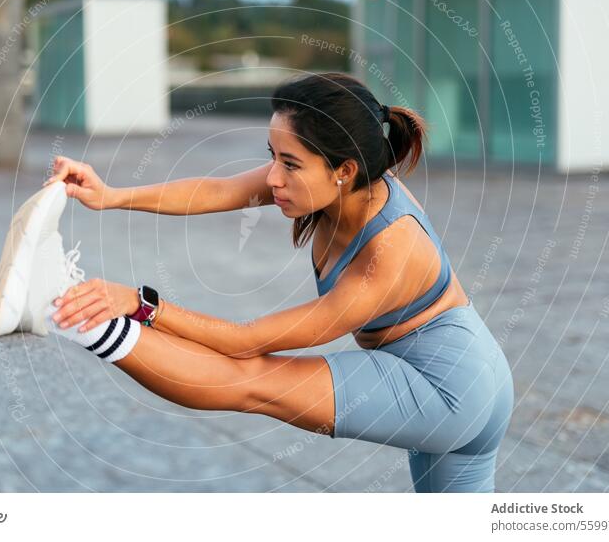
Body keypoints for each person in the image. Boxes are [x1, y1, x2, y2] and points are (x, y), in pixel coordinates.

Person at [41, 72, 514, 492]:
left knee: (252, 381)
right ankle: (79, 310)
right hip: (476, 373)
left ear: (343, 170)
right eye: (273, 156)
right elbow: (220, 190)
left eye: (290, 163)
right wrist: (110, 195)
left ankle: (77, 317)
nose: (272, 177)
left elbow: (246, 344)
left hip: (448, 389)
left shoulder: (391, 253)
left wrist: (140, 305)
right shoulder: (348, 181)